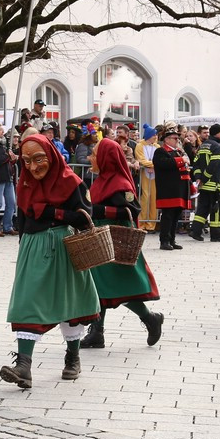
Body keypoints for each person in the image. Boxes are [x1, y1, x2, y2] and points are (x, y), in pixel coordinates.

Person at [1, 133, 97, 387]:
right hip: (33, 248)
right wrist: (23, 248)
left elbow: (85, 217)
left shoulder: (71, 181)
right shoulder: (25, 183)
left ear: (51, 156)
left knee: (71, 302)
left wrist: (52, 212)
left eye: (39, 159)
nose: (33, 167)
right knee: (27, 302)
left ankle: (73, 357)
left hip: (65, 247)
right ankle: (23, 366)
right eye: (27, 161)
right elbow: (23, 219)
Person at [79, 139, 164, 350]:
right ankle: (97, 332)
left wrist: (98, 211)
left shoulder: (120, 183)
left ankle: (149, 319)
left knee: (113, 287)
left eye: (95, 154)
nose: (91, 157)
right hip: (100, 238)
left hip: (116, 240)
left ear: (106, 158)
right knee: (100, 285)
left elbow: (131, 211)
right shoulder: (100, 180)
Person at [153, 124, 191, 251]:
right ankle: (164, 240)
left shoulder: (177, 151)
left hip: (179, 188)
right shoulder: (160, 151)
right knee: (168, 215)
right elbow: (163, 164)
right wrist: (182, 160)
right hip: (168, 189)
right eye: (175, 138)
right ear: (167, 140)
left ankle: (172, 239)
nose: (177, 141)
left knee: (176, 215)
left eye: (178, 139)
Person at [189, 123, 220, 242]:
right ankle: (217, 234)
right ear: (217, 133)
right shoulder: (216, 146)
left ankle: (195, 231)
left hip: (204, 185)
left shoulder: (203, 146)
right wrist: (205, 177)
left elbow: (195, 163)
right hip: (215, 184)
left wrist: (198, 177)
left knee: (203, 208)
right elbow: (214, 165)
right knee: (217, 209)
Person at [135, 124, 158, 231]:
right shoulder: (140, 146)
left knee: (154, 198)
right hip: (144, 175)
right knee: (145, 198)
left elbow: (160, 160)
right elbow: (141, 160)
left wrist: (152, 166)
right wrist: (150, 165)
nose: (156, 137)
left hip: (155, 176)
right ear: (149, 135)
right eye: (154, 135)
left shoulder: (157, 147)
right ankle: (142, 223)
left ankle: (151, 224)